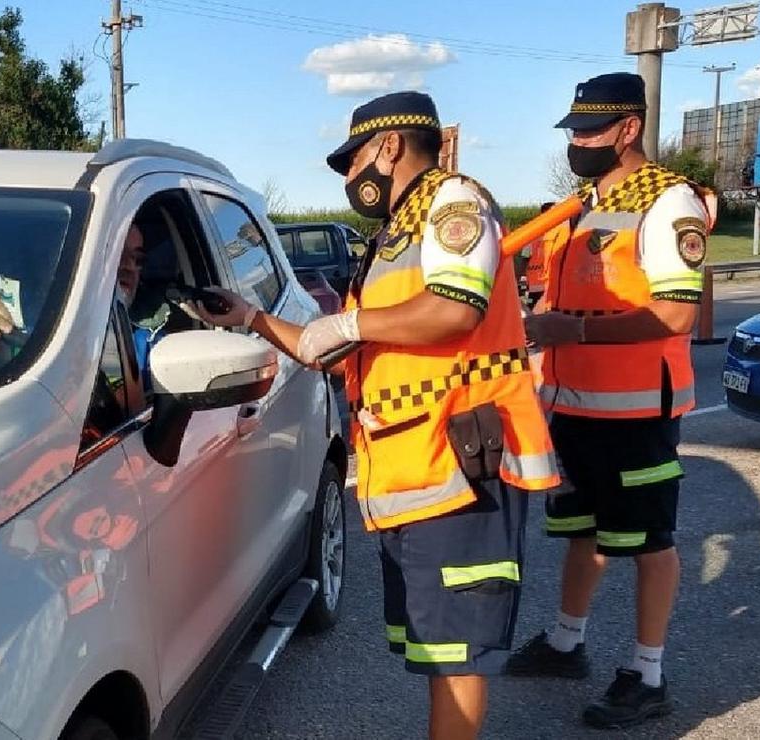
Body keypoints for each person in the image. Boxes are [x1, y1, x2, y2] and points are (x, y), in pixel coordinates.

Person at [195, 91, 559, 740]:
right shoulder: (396, 235)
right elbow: (340, 353)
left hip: (460, 467)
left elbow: (455, 310)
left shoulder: (452, 204)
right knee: (438, 654)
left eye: (353, 159)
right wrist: (251, 318)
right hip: (422, 473)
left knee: (456, 657)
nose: (350, 177)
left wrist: (350, 322)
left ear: (388, 146)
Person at [509, 72, 714, 730]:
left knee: (651, 541)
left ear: (629, 129)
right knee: (585, 533)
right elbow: (563, 294)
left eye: (590, 129)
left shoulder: (668, 201)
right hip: (575, 404)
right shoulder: (588, 203)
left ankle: (647, 675)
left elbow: (676, 314)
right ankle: (568, 642)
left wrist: (578, 330)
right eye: (573, 130)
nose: (578, 141)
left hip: (636, 412)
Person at [0, 222, 157, 371]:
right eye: (116, 253)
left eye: (137, 259)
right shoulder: (24, 312)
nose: (129, 266)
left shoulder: (150, 340)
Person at [522, 201, 561, 308]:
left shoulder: (562, 233)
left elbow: (524, 259)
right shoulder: (533, 235)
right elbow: (524, 258)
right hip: (538, 287)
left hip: (551, 287)